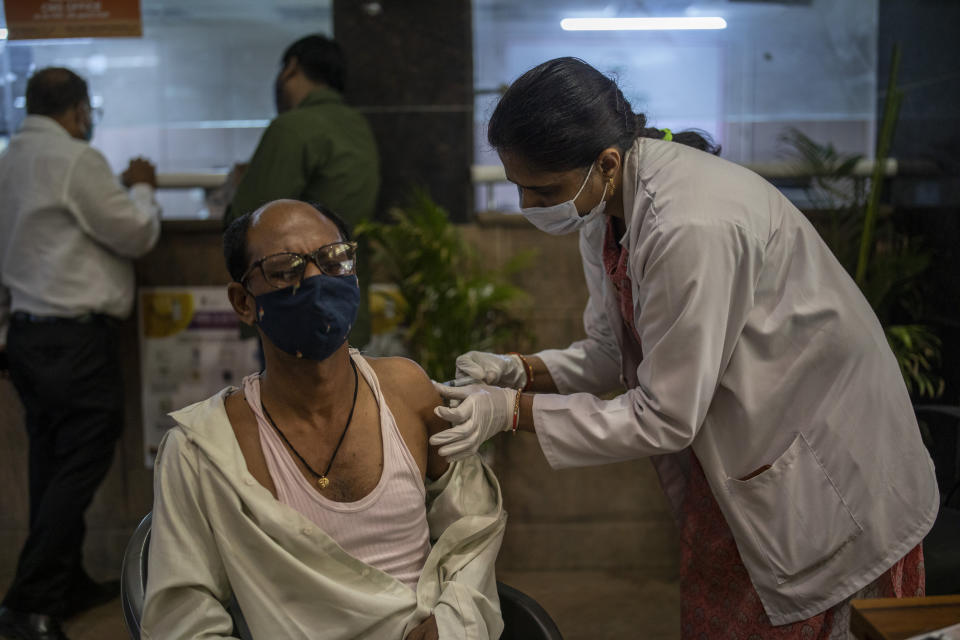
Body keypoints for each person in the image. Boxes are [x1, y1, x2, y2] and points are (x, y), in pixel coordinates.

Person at [430, 57, 939, 637]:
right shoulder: (605, 209)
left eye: (540, 189)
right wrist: (517, 372)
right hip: (747, 459)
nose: (526, 206)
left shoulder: (688, 226)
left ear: (607, 162)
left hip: (825, 467)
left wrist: (508, 413)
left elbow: (665, 416)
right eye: (517, 186)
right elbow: (609, 350)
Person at [142, 200, 505, 640]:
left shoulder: (408, 394)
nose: (315, 279)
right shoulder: (204, 450)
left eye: (334, 260)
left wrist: (453, 623)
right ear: (243, 302)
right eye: (285, 269)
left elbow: (472, 526)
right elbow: (182, 621)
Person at [0, 67, 161, 640]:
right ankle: (30, 601)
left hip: (28, 335)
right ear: (78, 111)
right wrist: (142, 183)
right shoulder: (73, 160)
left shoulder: (9, 159)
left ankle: (62, 583)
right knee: (83, 455)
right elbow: (137, 233)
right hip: (74, 339)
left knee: (50, 463)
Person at [223, 34, 380, 347]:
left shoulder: (293, 127)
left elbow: (246, 224)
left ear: (291, 68)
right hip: (348, 303)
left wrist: (238, 184)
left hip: (295, 310)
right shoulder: (358, 126)